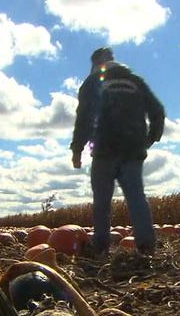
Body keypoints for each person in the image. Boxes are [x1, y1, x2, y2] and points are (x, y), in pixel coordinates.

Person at [70, 47, 165, 257]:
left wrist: (77, 149)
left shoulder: (92, 82)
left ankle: (101, 249)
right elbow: (158, 111)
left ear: (95, 64)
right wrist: (148, 140)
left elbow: (84, 117)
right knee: (136, 197)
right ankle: (146, 248)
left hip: (104, 150)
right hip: (133, 150)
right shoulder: (135, 81)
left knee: (102, 202)